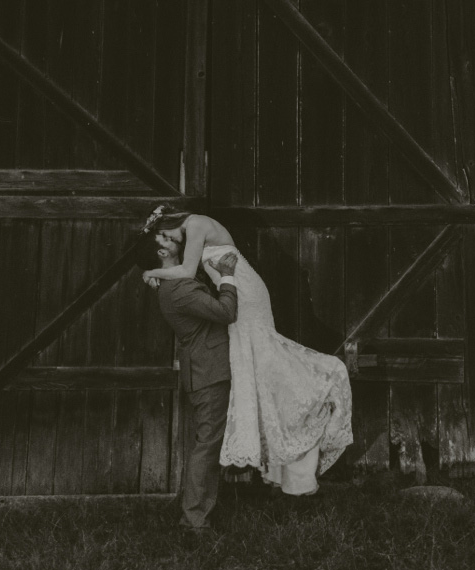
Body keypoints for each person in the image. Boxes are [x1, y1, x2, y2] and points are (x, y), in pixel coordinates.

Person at [139, 205, 353, 496]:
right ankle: (282, 441)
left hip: (243, 291)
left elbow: (188, 271)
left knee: (260, 358)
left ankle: (318, 383)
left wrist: (151, 272)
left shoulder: (198, 223)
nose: (167, 241)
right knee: (257, 368)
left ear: (171, 221)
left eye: (165, 234)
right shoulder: (192, 231)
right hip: (237, 289)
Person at [134, 229, 239, 533]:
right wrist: (228, 276)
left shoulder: (174, 281)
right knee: (207, 445)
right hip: (209, 372)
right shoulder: (178, 289)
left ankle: (195, 512)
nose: (172, 238)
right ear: (161, 253)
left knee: (207, 443)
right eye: (164, 239)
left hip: (208, 369)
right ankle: (193, 521)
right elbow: (226, 311)